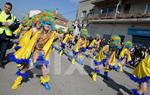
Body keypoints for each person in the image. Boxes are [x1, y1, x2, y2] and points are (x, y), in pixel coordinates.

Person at [0, 2, 19, 68]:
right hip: (0, 33)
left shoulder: (13, 17)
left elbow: (17, 25)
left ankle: (1, 62)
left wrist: (10, 25)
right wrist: (2, 23)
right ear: (4, 7)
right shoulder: (0, 13)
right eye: (6, 7)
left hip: (7, 35)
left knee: (3, 49)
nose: (7, 9)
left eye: (9, 8)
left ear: (11, 9)